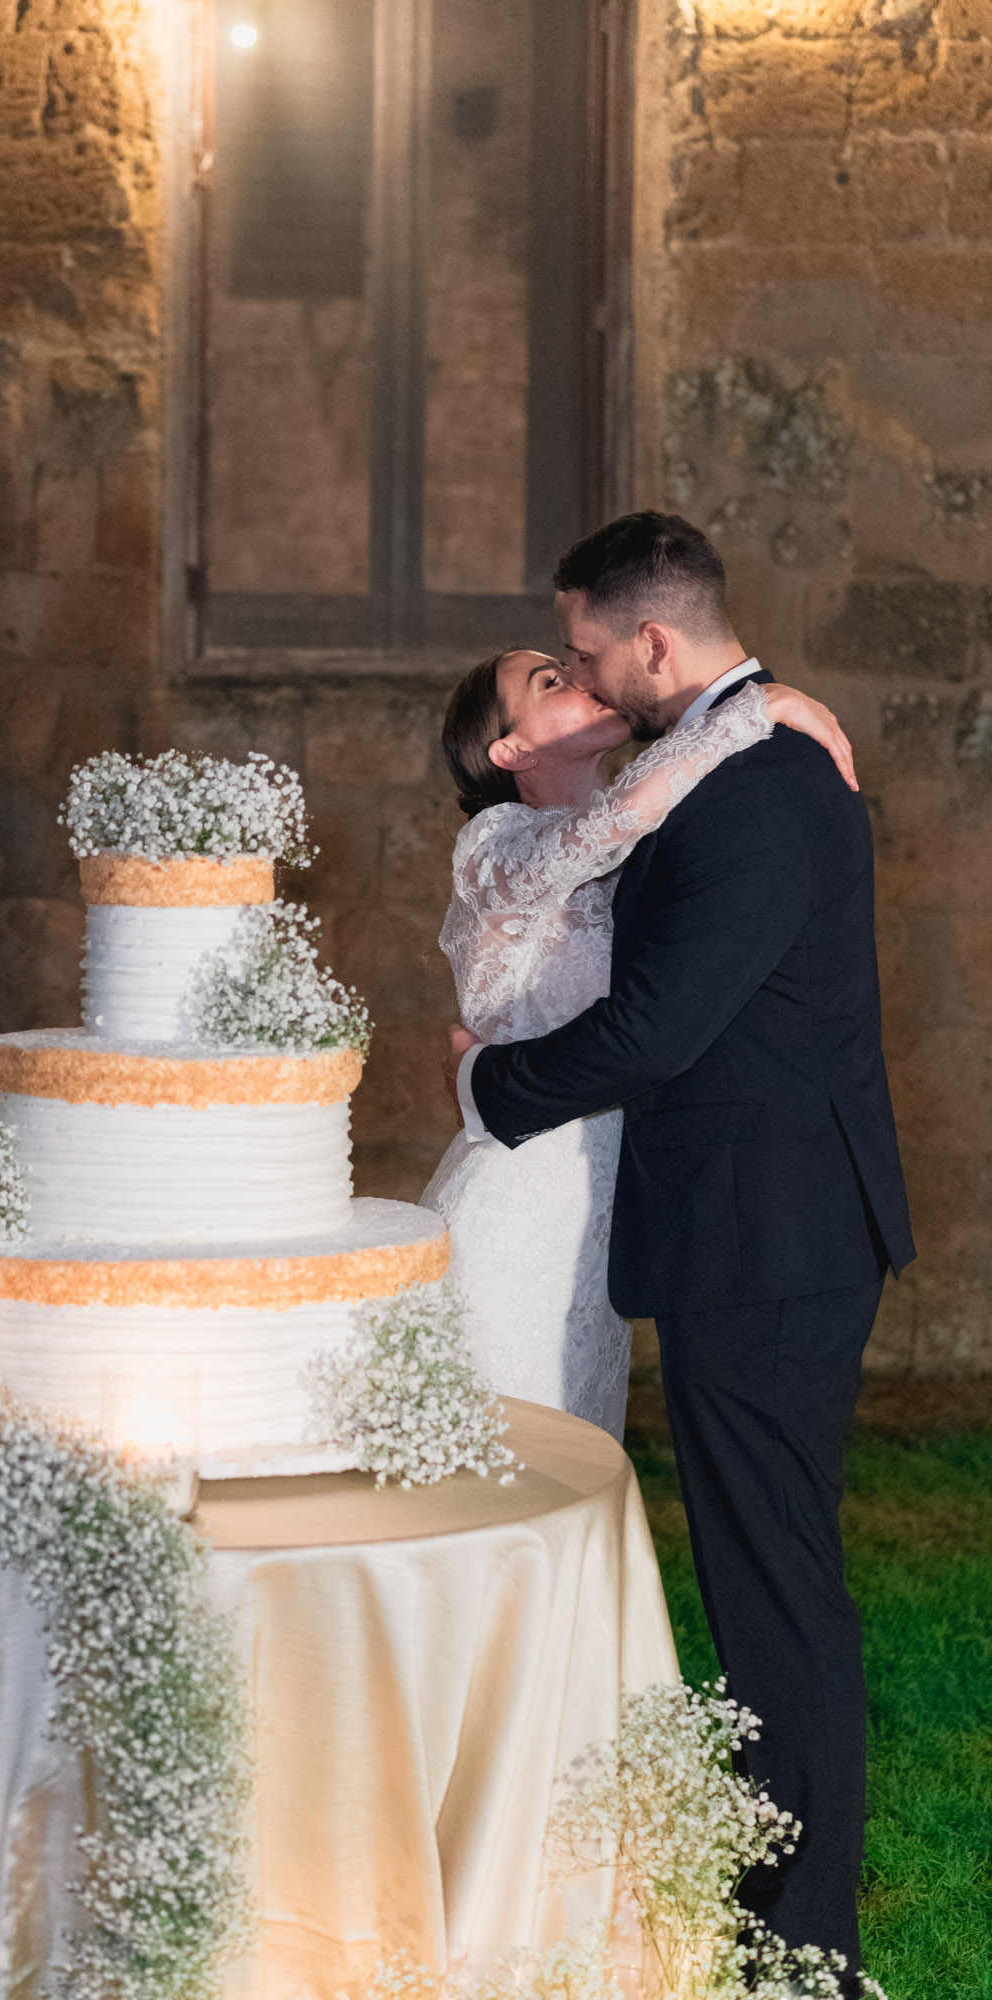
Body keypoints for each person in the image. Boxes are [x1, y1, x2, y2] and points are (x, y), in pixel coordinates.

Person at [440, 511, 914, 1986]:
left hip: (766, 1238)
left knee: (775, 1586)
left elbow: (658, 1028)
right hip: (728, 1228)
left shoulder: (758, 787)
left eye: (585, 650)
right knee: (756, 1576)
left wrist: (484, 1087)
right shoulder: (716, 761)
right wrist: (768, 702)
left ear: (653, 642)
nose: (577, 673)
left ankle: (804, 1950)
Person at [424, 649, 855, 1440]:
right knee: (505, 1448)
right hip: (527, 1192)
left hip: (611, 1208)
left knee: (579, 1447)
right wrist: (750, 711)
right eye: (549, 683)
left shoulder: (645, 859)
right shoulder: (496, 842)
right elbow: (612, 820)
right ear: (508, 752)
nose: (580, 680)